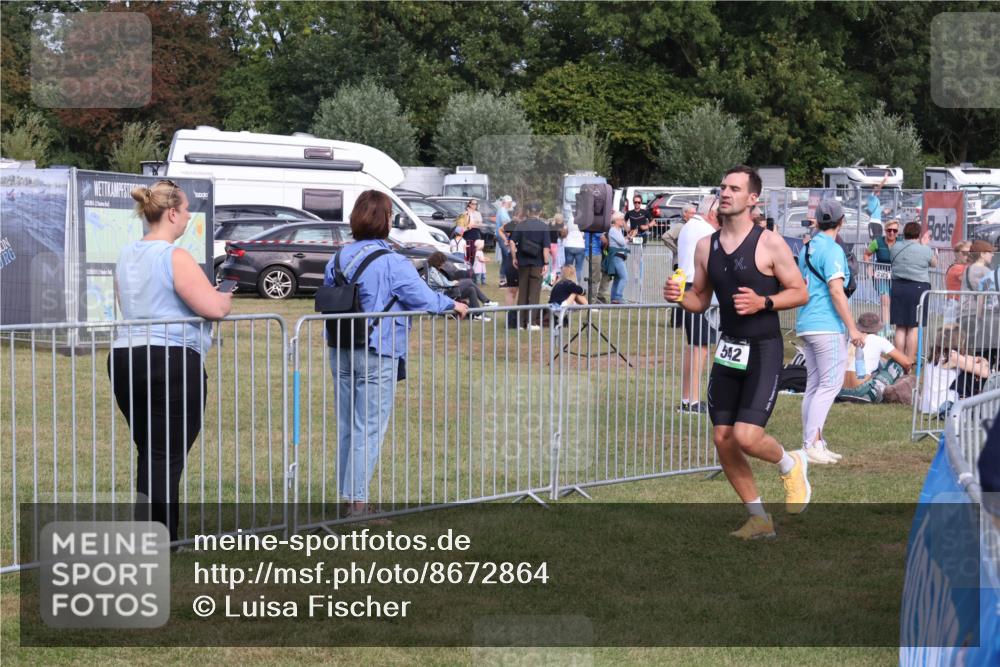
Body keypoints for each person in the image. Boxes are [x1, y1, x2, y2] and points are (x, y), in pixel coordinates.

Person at [664, 165, 810, 540]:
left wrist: (764, 301)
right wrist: (680, 297)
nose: (725, 193)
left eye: (734, 188)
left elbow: (799, 292)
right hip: (728, 349)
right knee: (723, 438)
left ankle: (791, 463)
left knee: (746, 436)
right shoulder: (705, 246)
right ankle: (759, 518)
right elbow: (700, 300)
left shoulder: (769, 243)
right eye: (722, 187)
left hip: (763, 348)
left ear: (752, 198)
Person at [323, 191, 469, 518]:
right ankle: (357, 505)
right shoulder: (392, 261)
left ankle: (350, 499)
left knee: (348, 426)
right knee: (368, 428)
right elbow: (423, 298)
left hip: (341, 349)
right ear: (386, 220)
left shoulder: (338, 258)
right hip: (377, 351)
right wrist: (453, 305)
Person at [109, 180, 233, 541]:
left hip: (126, 358)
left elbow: (123, 305)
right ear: (173, 213)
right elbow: (213, 308)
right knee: (166, 451)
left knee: (151, 449)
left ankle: (155, 531)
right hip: (171, 360)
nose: (190, 215)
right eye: (186, 209)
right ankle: (158, 536)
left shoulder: (127, 254)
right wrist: (225, 295)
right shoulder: (175, 256)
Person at [795, 199, 866, 465]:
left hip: (807, 322)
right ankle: (811, 443)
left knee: (815, 386)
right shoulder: (834, 250)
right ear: (841, 222)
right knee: (829, 385)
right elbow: (836, 291)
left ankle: (815, 441)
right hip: (826, 324)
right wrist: (852, 328)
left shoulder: (808, 247)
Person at [674, 195, 719, 414]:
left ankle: (687, 399)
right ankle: (691, 401)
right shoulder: (705, 230)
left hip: (688, 285)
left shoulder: (690, 226)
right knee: (700, 347)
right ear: (711, 213)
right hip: (696, 287)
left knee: (694, 346)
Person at [890, 221, 937, 361]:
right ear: (918, 234)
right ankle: (909, 361)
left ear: (904, 233)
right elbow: (934, 263)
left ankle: (899, 360)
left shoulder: (895, 247)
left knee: (900, 326)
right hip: (918, 289)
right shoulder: (924, 249)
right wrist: (924, 245)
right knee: (913, 326)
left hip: (898, 286)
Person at [509, 201, 552, 330]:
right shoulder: (544, 227)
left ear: (528, 212)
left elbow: (512, 241)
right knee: (534, 293)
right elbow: (546, 248)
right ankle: (531, 322)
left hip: (522, 262)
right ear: (540, 212)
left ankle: (520, 323)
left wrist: (514, 257)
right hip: (537, 263)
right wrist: (546, 263)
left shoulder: (521, 225)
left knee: (522, 292)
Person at [842, 312, 911, 389]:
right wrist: (907, 370)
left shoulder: (852, 339)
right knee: (896, 365)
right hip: (861, 389)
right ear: (877, 328)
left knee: (880, 361)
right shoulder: (879, 340)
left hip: (842, 388)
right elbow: (906, 362)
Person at [426, 251, 494, 318]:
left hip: (447, 291)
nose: (443, 264)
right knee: (469, 281)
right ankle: (486, 301)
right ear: (438, 261)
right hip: (443, 294)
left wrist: (452, 282)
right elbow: (443, 284)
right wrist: (453, 283)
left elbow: (444, 282)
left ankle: (477, 314)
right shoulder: (433, 271)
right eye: (442, 262)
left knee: (471, 289)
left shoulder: (435, 269)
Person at [864, 218, 899, 333]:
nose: (892, 233)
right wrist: (869, 267)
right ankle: (886, 329)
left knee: (891, 303)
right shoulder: (877, 242)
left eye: (895, 231)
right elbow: (866, 254)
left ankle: (885, 325)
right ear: (885, 230)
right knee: (885, 301)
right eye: (889, 230)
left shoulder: (901, 242)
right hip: (881, 275)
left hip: (896, 276)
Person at [607, 211, 629, 304]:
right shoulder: (613, 230)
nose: (623, 221)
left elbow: (623, 242)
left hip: (618, 256)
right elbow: (622, 243)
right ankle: (618, 297)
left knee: (618, 278)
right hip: (616, 256)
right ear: (616, 220)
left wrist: (628, 237)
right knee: (624, 277)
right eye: (622, 219)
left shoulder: (618, 230)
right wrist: (628, 238)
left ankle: (614, 298)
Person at [586, 228, 610, 303]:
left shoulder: (591, 225)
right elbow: (603, 239)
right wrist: (608, 243)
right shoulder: (595, 227)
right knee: (595, 277)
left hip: (595, 252)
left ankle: (599, 296)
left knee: (606, 273)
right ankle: (592, 300)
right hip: (594, 253)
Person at [460, 199, 483, 269]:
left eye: (476, 204)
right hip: (468, 234)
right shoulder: (465, 213)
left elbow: (479, 224)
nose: (475, 205)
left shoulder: (478, 213)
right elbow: (465, 224)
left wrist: (472, 224)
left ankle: (472, 269)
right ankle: (467, 268)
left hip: (476, 233)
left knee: (475, 252)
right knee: (468, 252)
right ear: (469, 204)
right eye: (473, 204)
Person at [563, 207, 587, 278]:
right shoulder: (583, 221)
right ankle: (577, 285)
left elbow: (566, 230)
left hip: (569, 244)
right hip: (580, 245)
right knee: (578, 269)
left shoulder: (570, 220)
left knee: (568, 267)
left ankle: (567, 283)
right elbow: (584, 234)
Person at [495, 196, 514, 286]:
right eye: (510, 202)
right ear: (507, 202)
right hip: (503, 237)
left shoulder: (503, 211)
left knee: (506, 258)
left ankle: (503, 279)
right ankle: (504, 280)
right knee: (507, 257)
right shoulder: (502, 211)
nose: (511, 204)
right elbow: (506, 226)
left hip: (502, 237)